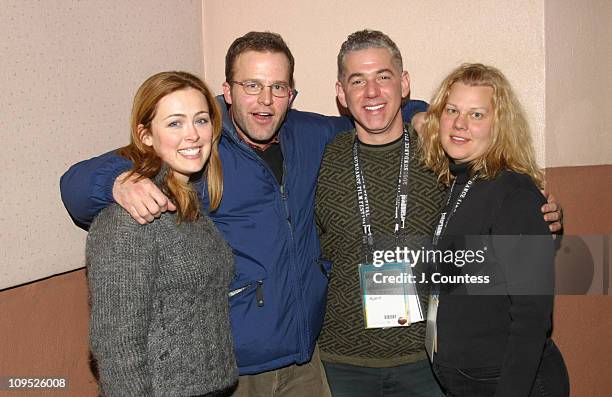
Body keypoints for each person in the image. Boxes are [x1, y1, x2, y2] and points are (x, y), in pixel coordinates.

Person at [62, 32, 428, 396]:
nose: (266, 101)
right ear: (228, 91)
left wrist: (420, 114)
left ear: (291, 94)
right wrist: (116, 181)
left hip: (306, 360)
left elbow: (373, 111)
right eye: (252, 85)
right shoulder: (198, 142)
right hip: (231, 370)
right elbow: (74, 185)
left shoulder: (310, 134)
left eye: (278, 87)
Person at [419, 63, 569, 397]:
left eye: (476, 115)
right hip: (470, 381)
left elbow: (532, 319)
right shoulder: (463, 182)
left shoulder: (512, 193)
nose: (460, 123)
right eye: (453, 110)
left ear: (499, 126)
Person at [86, 71, 238, 396]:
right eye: (174, 123)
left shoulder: (191, 207)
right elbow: (117, 342)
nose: (193, 135)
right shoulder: (130, 218)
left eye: (201, 120)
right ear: (146, 136)